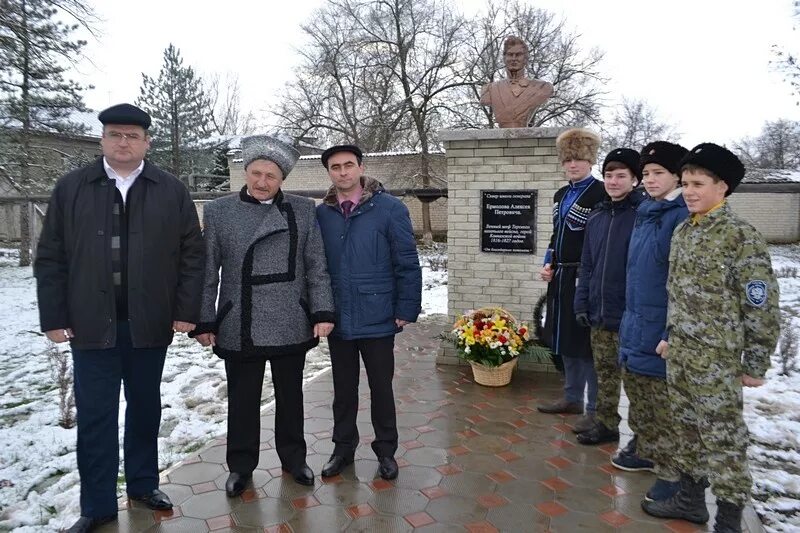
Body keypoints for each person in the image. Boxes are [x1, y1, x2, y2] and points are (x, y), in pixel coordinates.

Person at [34, 104, 205, 533]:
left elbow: (192, 255)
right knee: (96, 416)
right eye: (115, 134)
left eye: (132, 135)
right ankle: (97, 506)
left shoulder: (170, 190)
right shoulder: (73, 187)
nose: (123, 142)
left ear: (147, 141)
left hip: (149, 323)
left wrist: (186, 311)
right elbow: (51, 255)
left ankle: (144, 485)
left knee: (145, 408)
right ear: (102, 139)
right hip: (91, 324)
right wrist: (53, 315)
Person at [642, 144, 780, 533]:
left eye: (698, 183)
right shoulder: (685, 230)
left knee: (723, 439)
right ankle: (690, 501)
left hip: (717, 360)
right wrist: (670, 336)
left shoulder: (741, 236)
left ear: (723, 187)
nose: (688, 191)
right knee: (686, 430)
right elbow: (677, 291)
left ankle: (731, 517)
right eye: (685, 183)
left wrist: (755, 363)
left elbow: (761, 305)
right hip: (682, 354)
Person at [191, 134, 336, 494]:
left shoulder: (303, 210)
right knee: (242, 400)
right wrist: (205, 318)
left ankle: (294, 459)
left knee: (291, 397)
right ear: (246, 172)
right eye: (255, 173)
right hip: (240, 319)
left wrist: (321, 310)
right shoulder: (219, 211)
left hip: (290, 318)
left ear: (282, 179)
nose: (261, 182)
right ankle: (240, 466)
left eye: (270, 176)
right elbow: (208, 270)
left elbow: (315, 264)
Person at [315, 144, 422, 481]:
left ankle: (386, 451)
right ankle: (342, 449)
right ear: (329, 172)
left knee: (381, 388)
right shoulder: (323, 214)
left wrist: (406, 306)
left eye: (349, 165)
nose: (343, 172)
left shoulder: (389, 208)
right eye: (336, 167)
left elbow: (406, 260)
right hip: (339, 317)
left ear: (360, 167)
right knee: (343, 390)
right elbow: (316, 265)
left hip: (378, 315)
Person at [615, 141, 689, 502]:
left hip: (660, 327)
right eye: (646, 174)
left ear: (677, 175)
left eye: (658, 172)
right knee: (640, 395)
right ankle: (646, 449)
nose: (650, 179)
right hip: (636, 321)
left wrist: (670, 331)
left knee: (664, 406)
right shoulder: (648, 212)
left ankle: (672, 472)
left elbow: (683, 284)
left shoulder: (681, 217)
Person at [573, 148, 645, 444]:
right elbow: (587, 262)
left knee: (638, 381)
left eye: (621, 176)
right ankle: (606, 423)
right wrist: (582, 300)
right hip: (599, 310)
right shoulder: (598, 215)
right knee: (605, 374)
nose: (613, 182)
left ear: (635, 180)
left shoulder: (642, 215)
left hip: (629, 313)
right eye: (609, 176)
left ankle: (644, 439)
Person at [537, 128, 606, 423]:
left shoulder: (601, 192)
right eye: (568, 160)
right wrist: (548, 262)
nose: (573, 165)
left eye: (578, 159)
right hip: (561, 277)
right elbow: (557, 234)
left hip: (585, 276)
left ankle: (594, 409)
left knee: (585, 342)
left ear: (590, 160)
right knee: (564, 338)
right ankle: (572, 397)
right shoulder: (561, 194)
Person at [479, 36, 554, 128]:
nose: (514, 58)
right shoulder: (489, 90)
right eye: (510, 54)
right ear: (504, 58)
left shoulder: (542, 88)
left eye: (518, 55)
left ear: (525, 58)